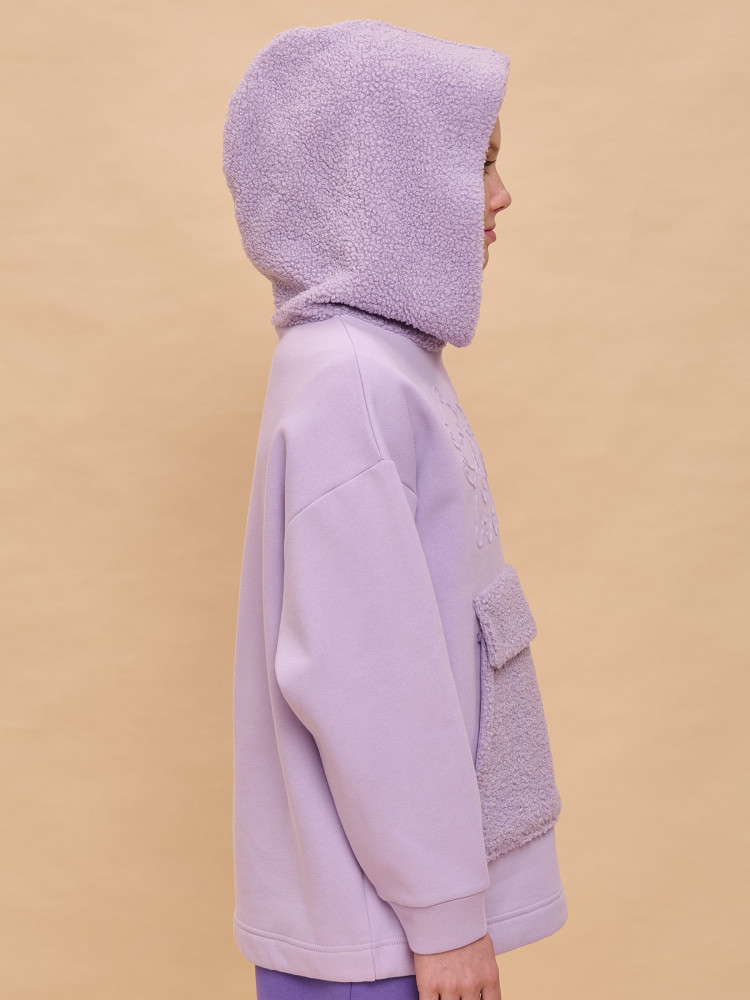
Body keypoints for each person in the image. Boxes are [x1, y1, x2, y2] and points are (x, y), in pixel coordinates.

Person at [222, 18, 567, 1000]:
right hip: (382, 944)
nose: (501, 194)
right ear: (390, 182)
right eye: (477, 162)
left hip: (386, 931)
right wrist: (446, 916)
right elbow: (367, 677)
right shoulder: (349, 379)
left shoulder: (383, 367)